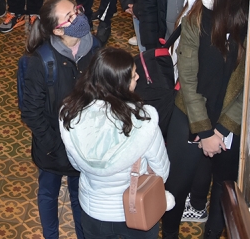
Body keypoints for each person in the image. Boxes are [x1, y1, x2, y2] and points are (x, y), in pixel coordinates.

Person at [160, 0, 250, 239]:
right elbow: (187, 79)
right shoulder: (195, 20)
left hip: (227, 124)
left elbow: (245, 87)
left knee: (224, 187)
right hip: (190, 113)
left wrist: (222, 129)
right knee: (176, 185)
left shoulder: (248, 31)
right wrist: (204, 131)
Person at [59, 47, 170, 239]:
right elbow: (161, 170)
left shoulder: (71, 114)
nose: (138, 78)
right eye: (133, 75)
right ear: (119, 83)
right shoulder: (142, 119)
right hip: (135, 210)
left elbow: (75, 163)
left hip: (93, 211)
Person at [20, 0, 101, 239]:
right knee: (48, 192)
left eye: (76, 11)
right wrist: (54, 146)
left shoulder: (96, 48)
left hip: (84, 145)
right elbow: (31, 112)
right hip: (51, 147)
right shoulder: (41, 61)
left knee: (80, 196)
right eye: (70, 17)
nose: (78, 17)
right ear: (57, 30)